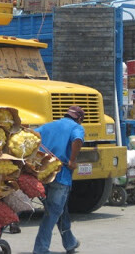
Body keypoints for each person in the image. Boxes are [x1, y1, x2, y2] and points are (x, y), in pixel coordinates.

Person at [33, 105, 85, 254]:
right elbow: (77, 140)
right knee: (53, 212)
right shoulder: (77, 127)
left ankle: (70, 243)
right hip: (61, 176)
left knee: (62, 211)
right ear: (79, 119)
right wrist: (72, 160)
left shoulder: (50, 125)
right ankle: (40, 249)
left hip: (44, 175)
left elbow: (32, 135)